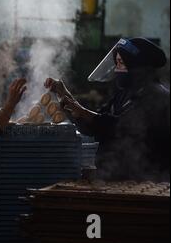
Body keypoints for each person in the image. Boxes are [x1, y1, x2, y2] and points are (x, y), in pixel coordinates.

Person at [45, 37, 170, 182]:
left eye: (121, 63)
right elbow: (96, 124)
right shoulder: (123, 94)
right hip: (115, 177)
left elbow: (120, 127)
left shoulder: (158, 97)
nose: (117, 69)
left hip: (149, 180)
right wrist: (66, 98)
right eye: (116, 63)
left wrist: (79, 108)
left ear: (137, 66)